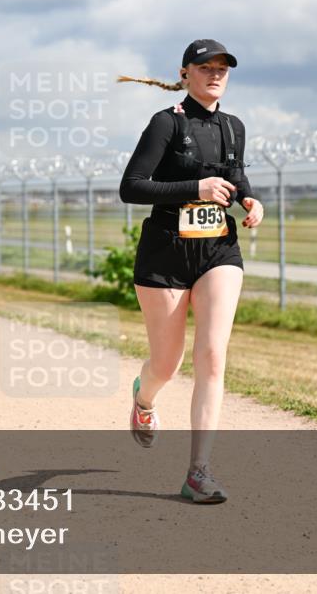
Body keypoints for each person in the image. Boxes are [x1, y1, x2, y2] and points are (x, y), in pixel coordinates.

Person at [118, 39, 264, 504]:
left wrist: (249, 199)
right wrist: (194, 188)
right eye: (206, 67)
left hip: (218, 252)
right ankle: (144, 399)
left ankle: (198, 471)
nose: (215, 74)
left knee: (212, 356)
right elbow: (132, 187)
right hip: (165, 255)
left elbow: (235, 175)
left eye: (222, 68)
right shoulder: (165, 123)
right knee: (167, 363)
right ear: (185, 74)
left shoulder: (233, 126)